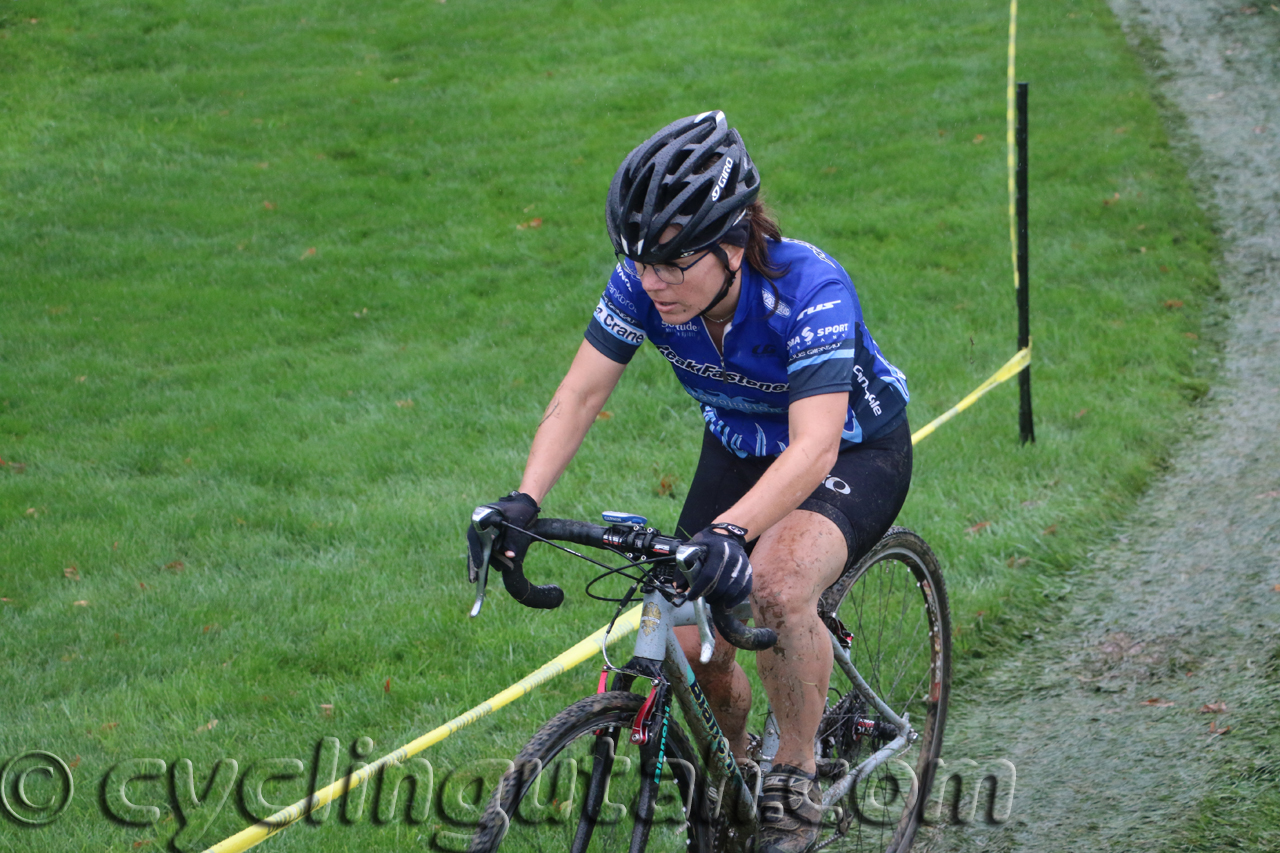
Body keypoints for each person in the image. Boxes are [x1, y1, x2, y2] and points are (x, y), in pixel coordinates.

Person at [468, 110, 912, 853]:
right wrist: (526, 499)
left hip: (850, 451)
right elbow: (580, 393)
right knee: (686, 630)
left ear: (735, 242)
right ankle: (738, 783)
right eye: (641, 263)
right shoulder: (646, 281)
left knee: (773, 583)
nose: (654, 283)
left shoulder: (812, 287)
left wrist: (732, 533)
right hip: (741, 446)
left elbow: (813, 449)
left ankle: (794, 783)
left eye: (674, 265)